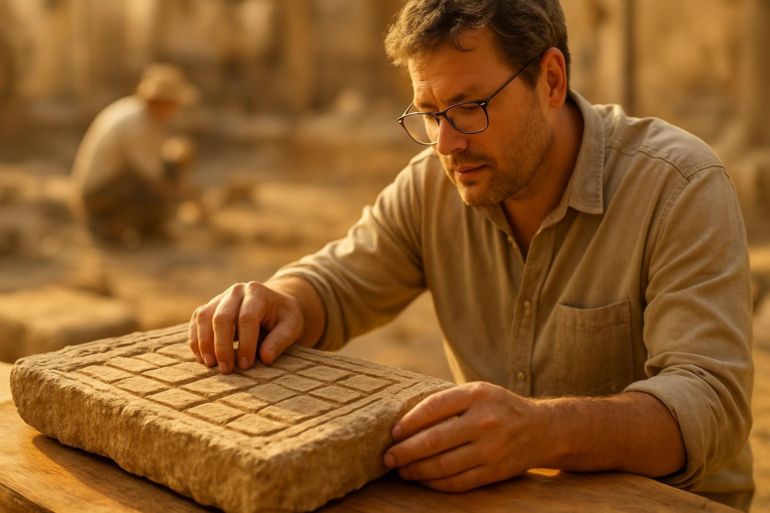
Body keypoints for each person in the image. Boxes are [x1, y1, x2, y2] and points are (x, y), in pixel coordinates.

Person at [187, 1, 754, 510]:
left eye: (469, 106)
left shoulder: (679, 184)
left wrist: (540, 431)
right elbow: (336, 283)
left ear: (551, 79)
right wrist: (279, 299)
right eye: (429, 113)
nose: (447, 143)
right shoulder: (435, 184)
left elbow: (710, 404)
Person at [72, 63, 198, 243]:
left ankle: (146, 228)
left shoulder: (144, 117)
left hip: (109, 187)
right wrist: (184, 192)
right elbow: (152, 174)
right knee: (155, 188)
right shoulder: (135, 122)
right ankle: (109, 227)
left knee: (165, 176)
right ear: (164, 103)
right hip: (96, 194)